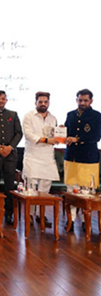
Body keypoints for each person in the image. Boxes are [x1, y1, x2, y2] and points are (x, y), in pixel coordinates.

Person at [64, 89, 101, 230]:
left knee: (87, 191)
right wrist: (63, 133)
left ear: (91, 101)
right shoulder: (71, 115)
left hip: (88, 158)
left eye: (85, 100)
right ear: (76, 100)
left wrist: (77, 139)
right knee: (72, 190)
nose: (82, 103)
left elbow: (96, 136)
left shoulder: (97, 116)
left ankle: (87, 223)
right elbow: (66, 132)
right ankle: (71, 221)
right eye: (80, 100)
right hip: (72, 157)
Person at [0, 90, 23, 224]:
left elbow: (19, 133)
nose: (0, 101)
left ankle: (8, 213)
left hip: (10, 155)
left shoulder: (13, 114)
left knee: (9, 185)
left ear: (6, 100)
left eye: (3, 98)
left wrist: (9, 147)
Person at [22, 91, 59, 227]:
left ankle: (41, 214)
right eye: (40, 102)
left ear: (48, 103)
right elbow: (29, 135)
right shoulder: (29, 116)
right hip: (32, 156)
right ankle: (30, 215)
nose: (43, 104)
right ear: (35, 103)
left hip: (47, 157)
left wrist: (60, 133)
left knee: (45, 189)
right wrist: (46, 140)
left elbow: (54, 135)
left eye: (45, 102)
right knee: (31, 188)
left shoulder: (53, 118)